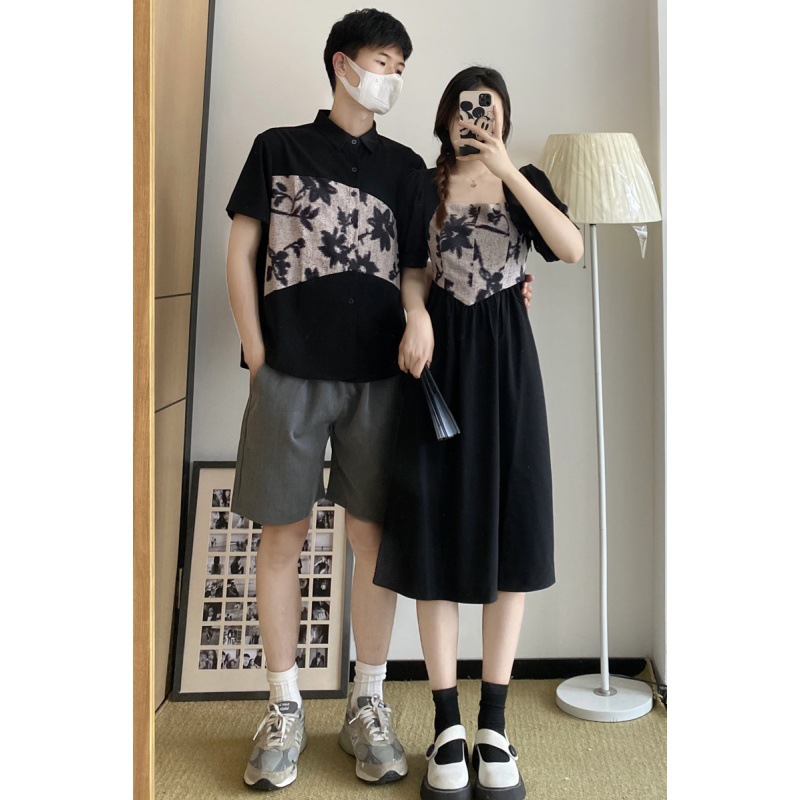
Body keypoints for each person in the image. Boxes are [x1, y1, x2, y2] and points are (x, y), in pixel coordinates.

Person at [226, 10, 533, 793]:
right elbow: (242, 249)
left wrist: (507, 283)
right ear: (342, 63)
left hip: (380, 380)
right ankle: (284, 707)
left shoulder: (406, 170)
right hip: (289, 372)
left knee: (372, 540)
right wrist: (256, 350)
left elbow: (426, 267)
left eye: (401, 66)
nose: (392, 76)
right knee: (282, 535)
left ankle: (367, 702)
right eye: (381, 61)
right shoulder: (277, 148)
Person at [372, 66, 583, 800]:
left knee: (509, 534)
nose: (476, 119)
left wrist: (507, 170)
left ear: (504, 119)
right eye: (466, 109)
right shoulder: (421, 186)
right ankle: (447, 726)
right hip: (439, 364)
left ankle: (493, 724)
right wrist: (416, 315)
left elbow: (569, 246)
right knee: (434, 533)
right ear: (445, 116)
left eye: (489, 110)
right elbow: (412, 270)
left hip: (508, 369)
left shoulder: (524, 180)